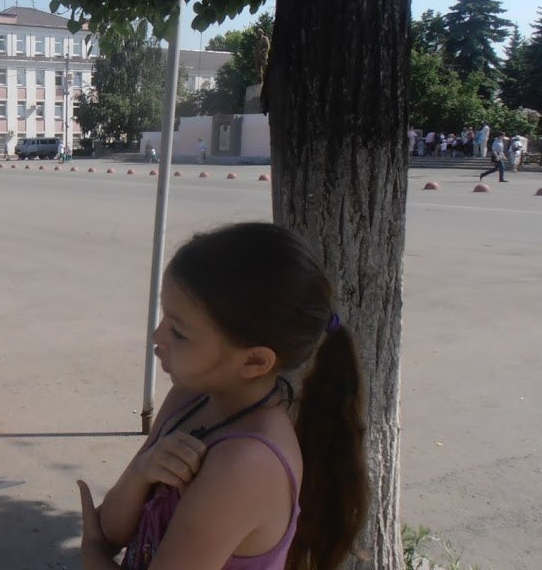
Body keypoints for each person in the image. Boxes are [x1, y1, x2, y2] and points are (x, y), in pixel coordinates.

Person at [77, 222, 368, 570]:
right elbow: (111, 529)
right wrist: (142, 472)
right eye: (164, 317)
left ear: (255, 360)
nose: (157, 336)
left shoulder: (246, 462)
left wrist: (92, 555)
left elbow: (100, 541)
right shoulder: (189, 398)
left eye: (179, 332)